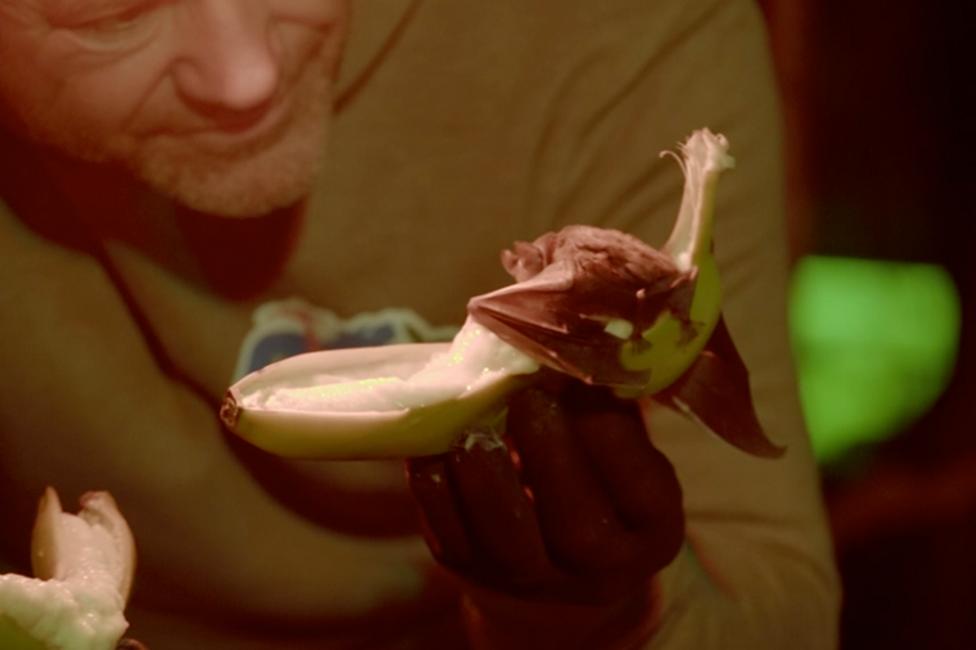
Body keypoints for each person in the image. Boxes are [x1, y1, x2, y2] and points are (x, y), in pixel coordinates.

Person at [0, 0, 839, 648]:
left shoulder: (612, 34)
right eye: (110, 16)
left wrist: (607, 624)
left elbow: (781, 612)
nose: (246, 78)